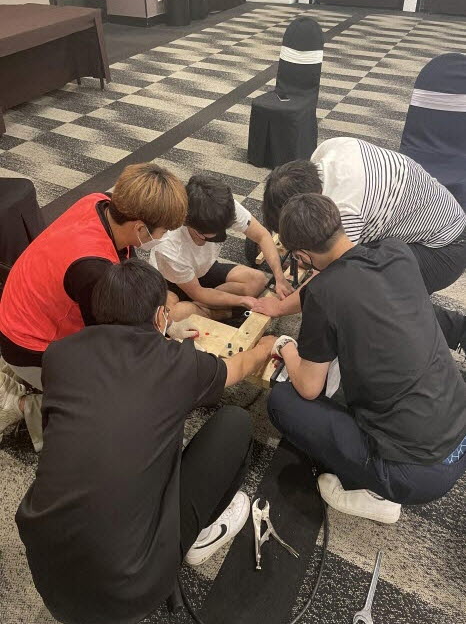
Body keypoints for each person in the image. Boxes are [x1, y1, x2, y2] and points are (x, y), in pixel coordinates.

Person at [16, 259, 277, 624]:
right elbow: (236, 368)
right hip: (132, 590)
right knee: (235, 423)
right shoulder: (179, 363)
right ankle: (198, 538)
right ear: (159, 317)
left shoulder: (60, 354)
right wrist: (265, 347)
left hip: (48, 576)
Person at [267, 194, 466, 523]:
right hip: (459, 422)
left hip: (417, 474)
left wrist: (285, 345)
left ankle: (376, 494)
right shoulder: (397, 252)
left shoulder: (322, 292)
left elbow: (309, 387)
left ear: (302, 256)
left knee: (282, 401)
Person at [0, 163, 187, 441]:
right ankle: (33, 406)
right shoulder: (94, 271)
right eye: (163, 231)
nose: (164, 237)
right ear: (140, 228)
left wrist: (165, 322)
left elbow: (129, 267)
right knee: (123, 392)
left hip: (20, 314)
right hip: (29, 347)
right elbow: (109, 342)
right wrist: (161, 343)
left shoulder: (100, 202)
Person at [259, 137, 466, 353]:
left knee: (367, 294)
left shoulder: (345, 209)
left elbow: (329, 280)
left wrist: (280, 307)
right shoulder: (328, 152)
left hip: (444, 249)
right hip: (433, 219)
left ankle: (460, 331)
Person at [150, 174, 293, 322]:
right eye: (208, 236)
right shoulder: (169, 246)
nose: (217, 237)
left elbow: (262, 236)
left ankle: (206, 310)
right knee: (175, 315)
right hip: (170, 282)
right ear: (188, 223)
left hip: (203, 269)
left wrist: (279, 277)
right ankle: (219, 312)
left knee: (258, 280)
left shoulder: (221, 206)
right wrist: (242, 301)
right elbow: (198, 293)